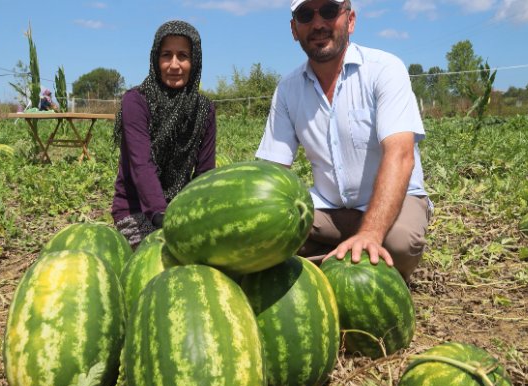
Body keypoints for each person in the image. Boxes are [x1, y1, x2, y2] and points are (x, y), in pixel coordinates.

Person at [256, 0, 431, 281]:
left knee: (399, 244)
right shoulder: (288, 90)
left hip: (393, 202)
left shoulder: (384, 69)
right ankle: (339, 260)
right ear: (293, 29)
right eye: (305, 15)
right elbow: (271, 171)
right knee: (266, 237)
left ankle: (334, 260)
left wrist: (372, 233)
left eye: (328, 11)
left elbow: (400, 155)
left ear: (350, 20)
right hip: (328, 209)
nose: (318, 24)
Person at [111, 20, 216, 248]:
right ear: (156, 59)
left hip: (181, 209)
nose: (174, 65)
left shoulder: (204, 109)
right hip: (137, 210)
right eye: (166, 55)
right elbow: (142, 164)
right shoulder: (136, 101)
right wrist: (162, 215)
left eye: (183, 56)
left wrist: (199, 216)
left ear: (194, 61)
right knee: (163, 265)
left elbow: (205, 172)